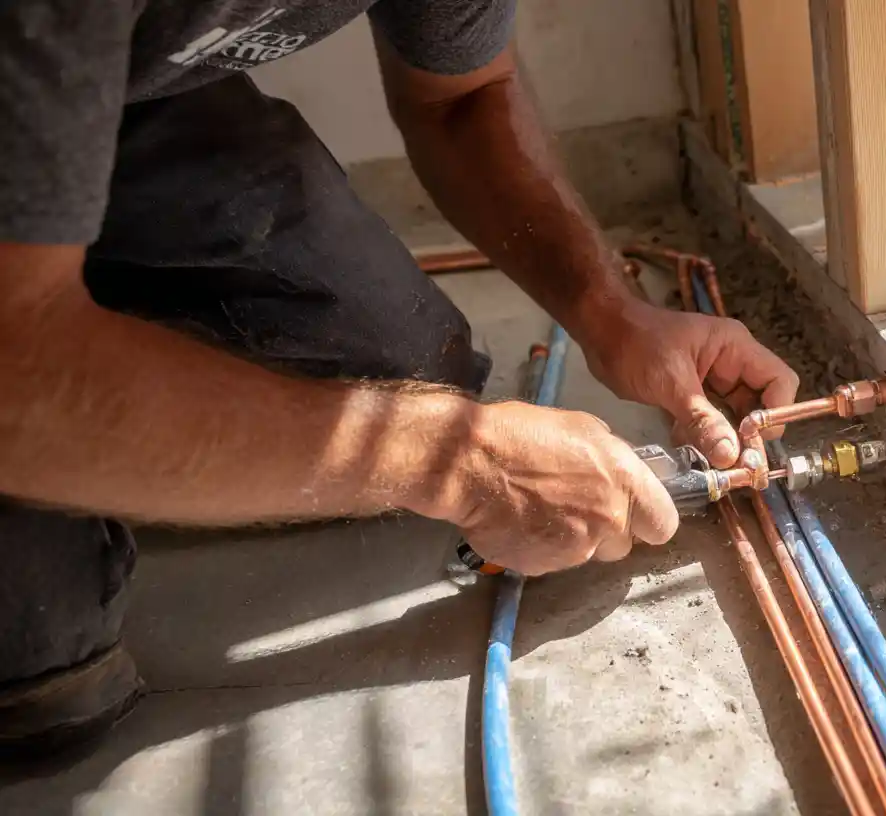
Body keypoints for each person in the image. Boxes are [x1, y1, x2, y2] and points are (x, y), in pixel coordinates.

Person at [0, 0, 799, 756]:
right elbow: (16, 376)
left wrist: (612, 312)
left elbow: (464, 99)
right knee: (42, 648)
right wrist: (457, 460)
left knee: (405, 381)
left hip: (123, 98)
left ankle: (67, 284)